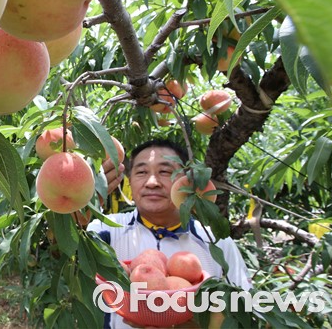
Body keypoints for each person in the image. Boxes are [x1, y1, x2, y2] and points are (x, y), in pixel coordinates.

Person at [88, 139, 251, 329]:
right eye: (141, 172)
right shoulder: (106, 230)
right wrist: (84, 207)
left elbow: (246, 310)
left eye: (165, 172)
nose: (152, 183)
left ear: (187, 183)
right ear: (129, 182)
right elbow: (68, 255)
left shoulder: (216, 242)